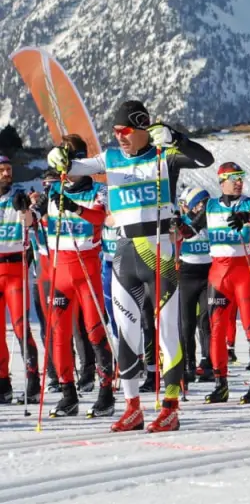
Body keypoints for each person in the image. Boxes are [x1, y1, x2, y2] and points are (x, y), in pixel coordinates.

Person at [48, 100, 214, 432]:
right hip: (124, 254)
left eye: (125, 131)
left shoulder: (163, 155)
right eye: (116, 131)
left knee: (167, 333)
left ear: (142, 129)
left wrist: (177, 138)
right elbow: (73, 167)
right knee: (125, 333)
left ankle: (170, 408)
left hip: (158, 251)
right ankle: (132, 407)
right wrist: (58, 157)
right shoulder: (110, 158)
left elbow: (205, 159)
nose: (120, 137)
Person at [33, 136, 114, 419]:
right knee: (59, 334)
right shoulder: (53, 189)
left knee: (94, 331)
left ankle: (106, 393)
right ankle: (68, 395)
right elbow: (32, 218)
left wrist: (74, 207)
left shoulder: (98, 191)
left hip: (87, 269)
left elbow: (100, 218)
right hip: (60, 272)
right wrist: (25, 209)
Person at [202, 163, 250, 404]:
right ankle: (220, 384)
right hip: (218, 275)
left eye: (241, 177)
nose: (239, 182)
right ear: (222, 181)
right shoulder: (210, 205)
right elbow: (189, 227)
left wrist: (247, 217)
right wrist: (177, 225)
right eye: (234, 178)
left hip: (244, 272)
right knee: (217, 330)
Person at [0, 155, 39, 405]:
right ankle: (3, 383)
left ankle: (33, 382)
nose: (7, 174)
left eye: (9, 169)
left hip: (14, 268)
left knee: (21, 328)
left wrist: (25, 209)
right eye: (2, 170)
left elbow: (32, 223)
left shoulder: (19, 195)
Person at [176, 187, 213, 386]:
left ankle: (207, 363)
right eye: (200, 203)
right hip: (187, 274)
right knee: (186, 324)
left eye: (205, 203)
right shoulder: (183, 222)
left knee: (206, 321)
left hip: (208, 273)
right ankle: (188, 365)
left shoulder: (211, 220)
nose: (204, 207)